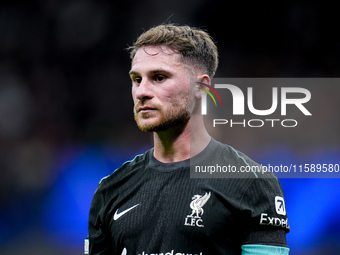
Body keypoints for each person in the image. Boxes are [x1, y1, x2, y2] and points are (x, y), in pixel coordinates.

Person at [87, 24, 290, 255]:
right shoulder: (111, 190)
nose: (142, 91)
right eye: (136, 79)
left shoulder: (252, 183)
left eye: (159, 77)